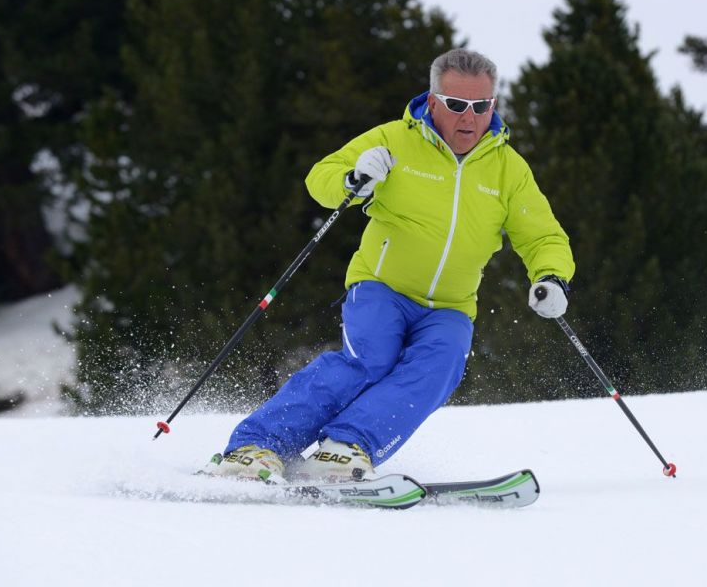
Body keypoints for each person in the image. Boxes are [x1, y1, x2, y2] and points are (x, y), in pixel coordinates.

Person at [203, 48, 575, 483]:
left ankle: (345, 448)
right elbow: (321, 177)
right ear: (433, 101)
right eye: (456, 105)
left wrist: (552, 278)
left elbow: (542, 235)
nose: (468, 118)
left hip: (451, 305)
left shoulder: (508, 170)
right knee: (370, 359)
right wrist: (353, 177)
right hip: (381, 287)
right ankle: (258, 446)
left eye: (481, 106)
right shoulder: (394, 140)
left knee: (441, 366)